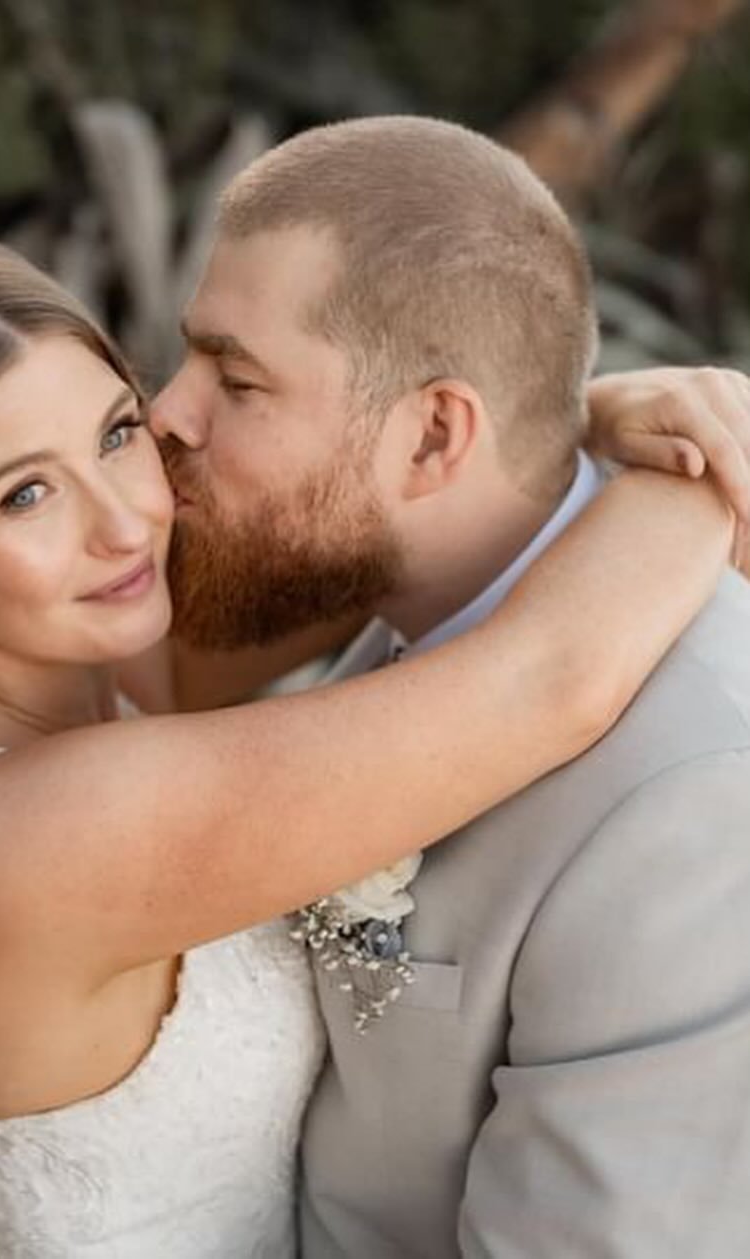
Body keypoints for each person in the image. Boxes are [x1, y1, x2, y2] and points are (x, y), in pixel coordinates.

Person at [133, 116, 750, 1257]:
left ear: (431, 439)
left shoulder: (694, 801)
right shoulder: (400, 605)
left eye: (237, 376)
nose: (167, 411)